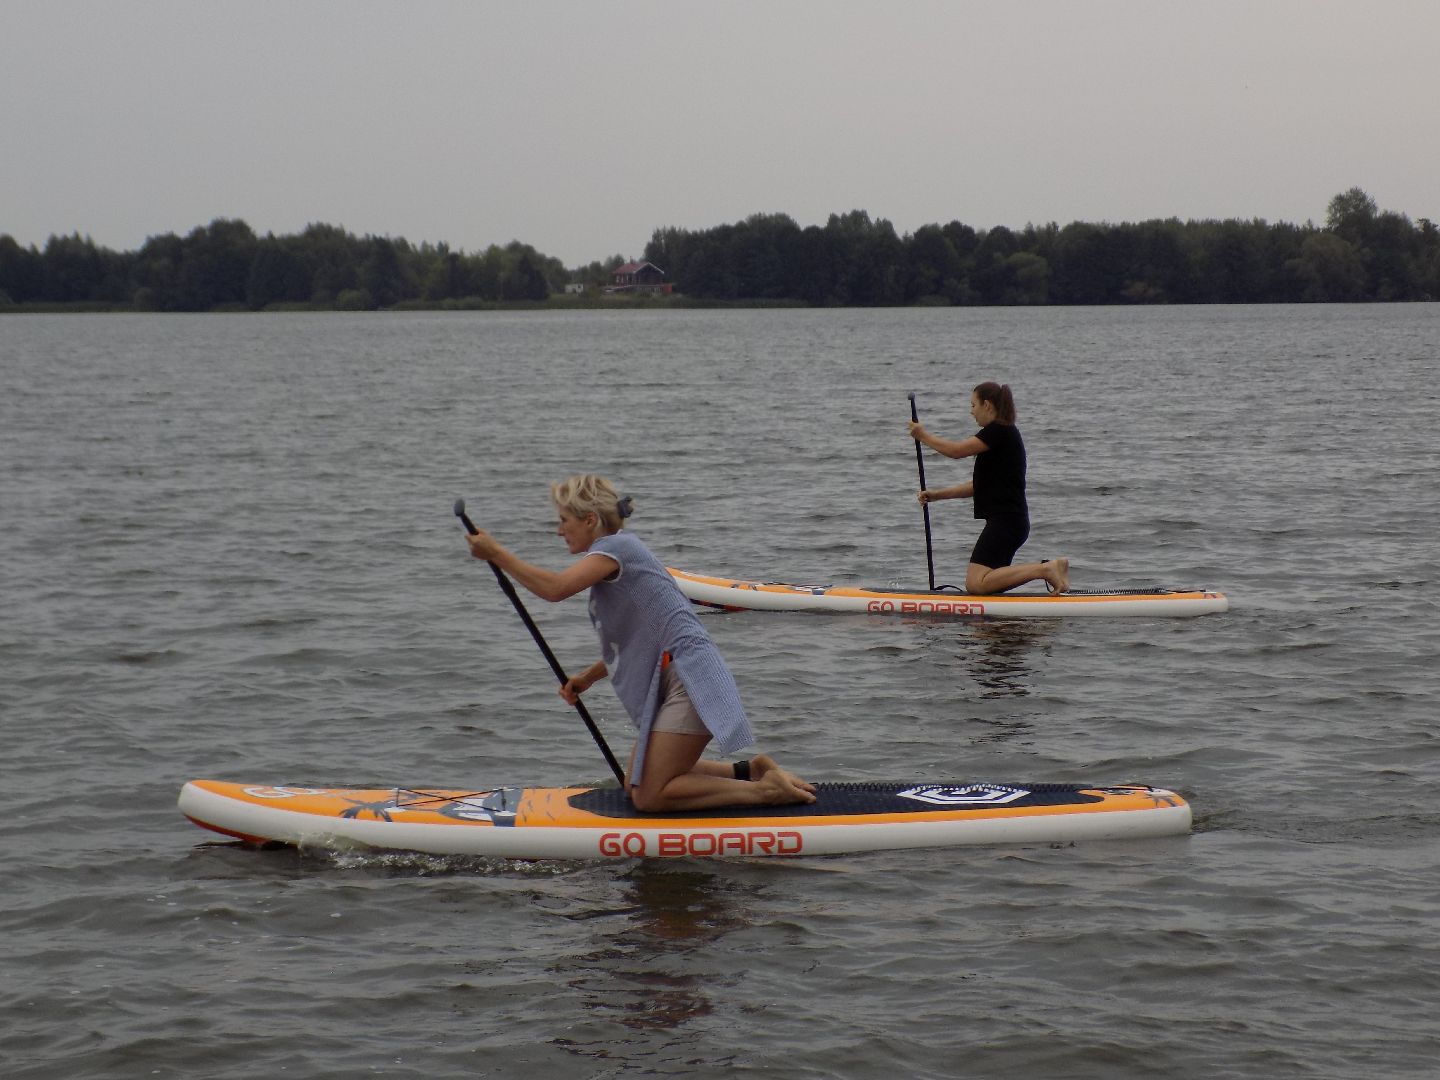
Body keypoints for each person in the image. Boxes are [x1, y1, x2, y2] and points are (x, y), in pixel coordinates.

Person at [465, 473, 816, 812]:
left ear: (589, 520)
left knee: (649, 796)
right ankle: (750, 771)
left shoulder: (616, 548)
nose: (559, 531)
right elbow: (638, 640)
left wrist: (497, 553)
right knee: (636, 781)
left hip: (691, 677)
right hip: (680, 674)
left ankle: (764, 792)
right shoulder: (614, 557)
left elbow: (555, 590)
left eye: (563, 520)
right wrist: (587, 677)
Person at [906, 381, 1070, 595]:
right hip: (1011, 522)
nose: (971, 411)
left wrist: (923, 436)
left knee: (976, 584)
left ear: (987, 405)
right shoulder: (1001, 436)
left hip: (1007, 522)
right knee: (986, 584)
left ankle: (1046, 569)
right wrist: (937, 495)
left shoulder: (999, 431)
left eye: (973, 405)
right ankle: (1044, 573)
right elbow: (979, 486)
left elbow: (956, 451)